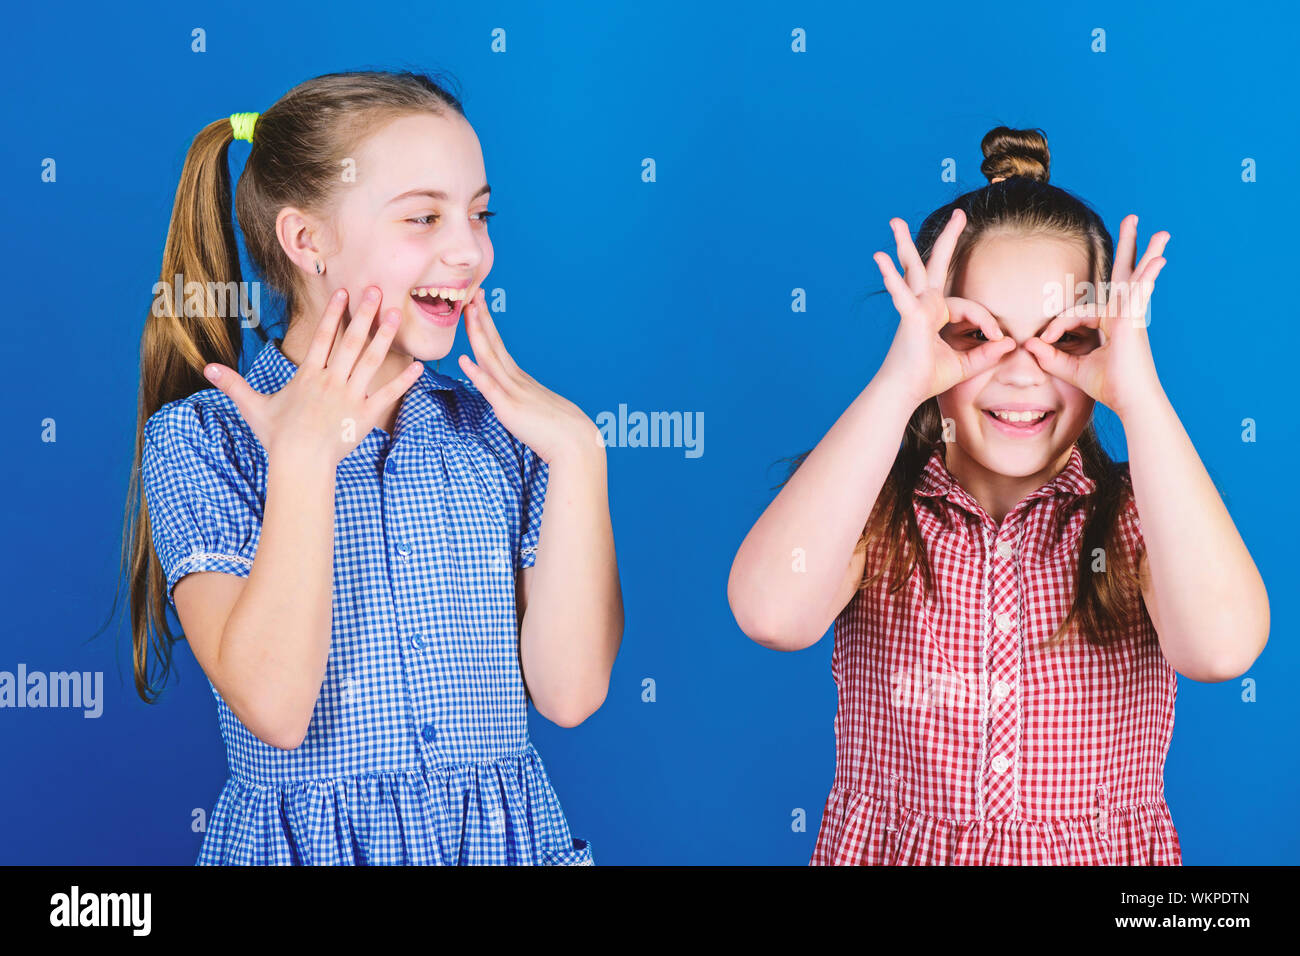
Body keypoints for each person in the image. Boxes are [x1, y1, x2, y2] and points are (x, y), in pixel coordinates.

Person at [727, 126, 1268, 865]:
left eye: (1066, 338)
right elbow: (769, 614)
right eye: (975, 333)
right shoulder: (872, 512)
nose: (1022, 371)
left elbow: (1223, 649)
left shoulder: (1142, 523)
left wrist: (1141, 400)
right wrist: (898, 384)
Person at [123, 69, 622, 865]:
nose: (469, 251)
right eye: (423, 217)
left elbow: (571, 693)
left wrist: (580, 454)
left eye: (479, 215)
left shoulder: (500, 439)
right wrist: (304, 460)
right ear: (307, 241)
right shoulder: (203, 440)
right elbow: (277, 708)